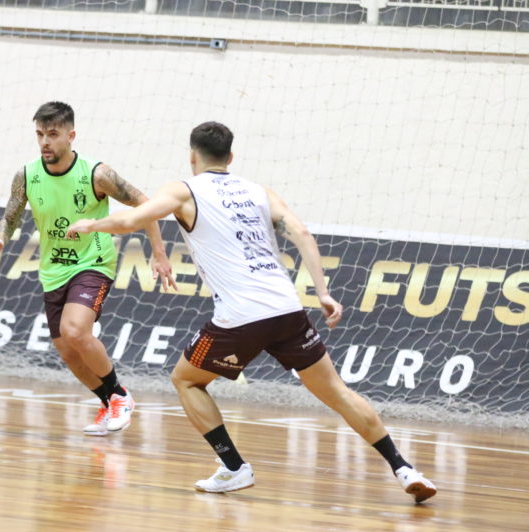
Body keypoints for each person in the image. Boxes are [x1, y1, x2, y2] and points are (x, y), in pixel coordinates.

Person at [66, 121, 437, 503]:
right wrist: (323, 293)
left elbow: (131, 220)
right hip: (288, 309)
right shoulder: (260, 191)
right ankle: (404, 468)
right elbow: (303, 234)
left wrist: (91, 224)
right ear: (231, 157)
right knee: (338, 393)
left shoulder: (183, 190)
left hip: (241, 316)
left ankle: (233, 467)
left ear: (192, 156)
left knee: (186, 380)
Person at [0, 102, 177, 436]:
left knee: (75, 331)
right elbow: (10, 216)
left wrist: (159, 253)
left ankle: (119, 396)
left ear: (70, 136)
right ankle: (108, 402)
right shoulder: (26, 175)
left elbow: (146, 204)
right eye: (40, 134)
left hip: (93, 263)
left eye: (53, 134)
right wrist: (0, 238)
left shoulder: (96, 174)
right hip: (53, 270)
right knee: (67, 351)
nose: (45, 142)